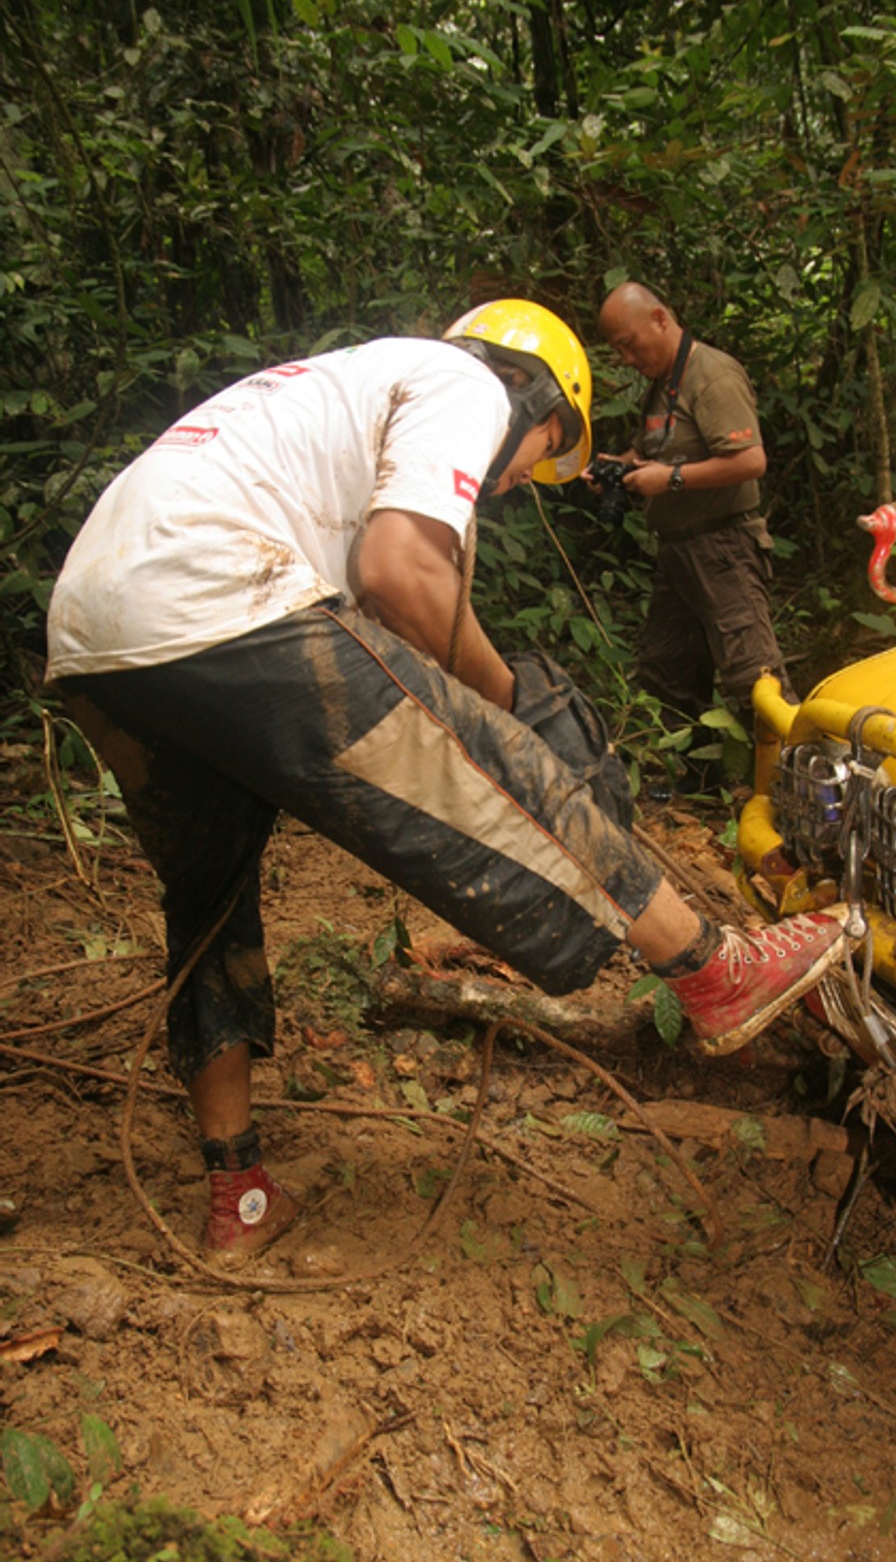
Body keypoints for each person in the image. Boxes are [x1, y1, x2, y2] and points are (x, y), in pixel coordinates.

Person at [45, 299, 844, 1258]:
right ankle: (715, 970)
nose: (518, 479)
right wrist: (511, 707)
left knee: (210, 906)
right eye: (543, 452)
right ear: (534, 394)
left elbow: (388, 609)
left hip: (98, 638)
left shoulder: (334, 397)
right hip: (218, 599)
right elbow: (399, 574)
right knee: (497, 761)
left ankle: (238, 1195)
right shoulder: (462, 379)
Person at [595, 281, 796, 793]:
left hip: (723, 546)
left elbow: (750, 460)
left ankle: (799, 793)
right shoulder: (662, 383)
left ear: (660, 319)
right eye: (617, 349)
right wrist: (618, 468)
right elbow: (653, 453)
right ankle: (700, 784)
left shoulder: (711, 374)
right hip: (677, 551)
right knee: (668, 669)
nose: (627, 358)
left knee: (753, 676)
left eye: (630, 344)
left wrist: (673, 479)